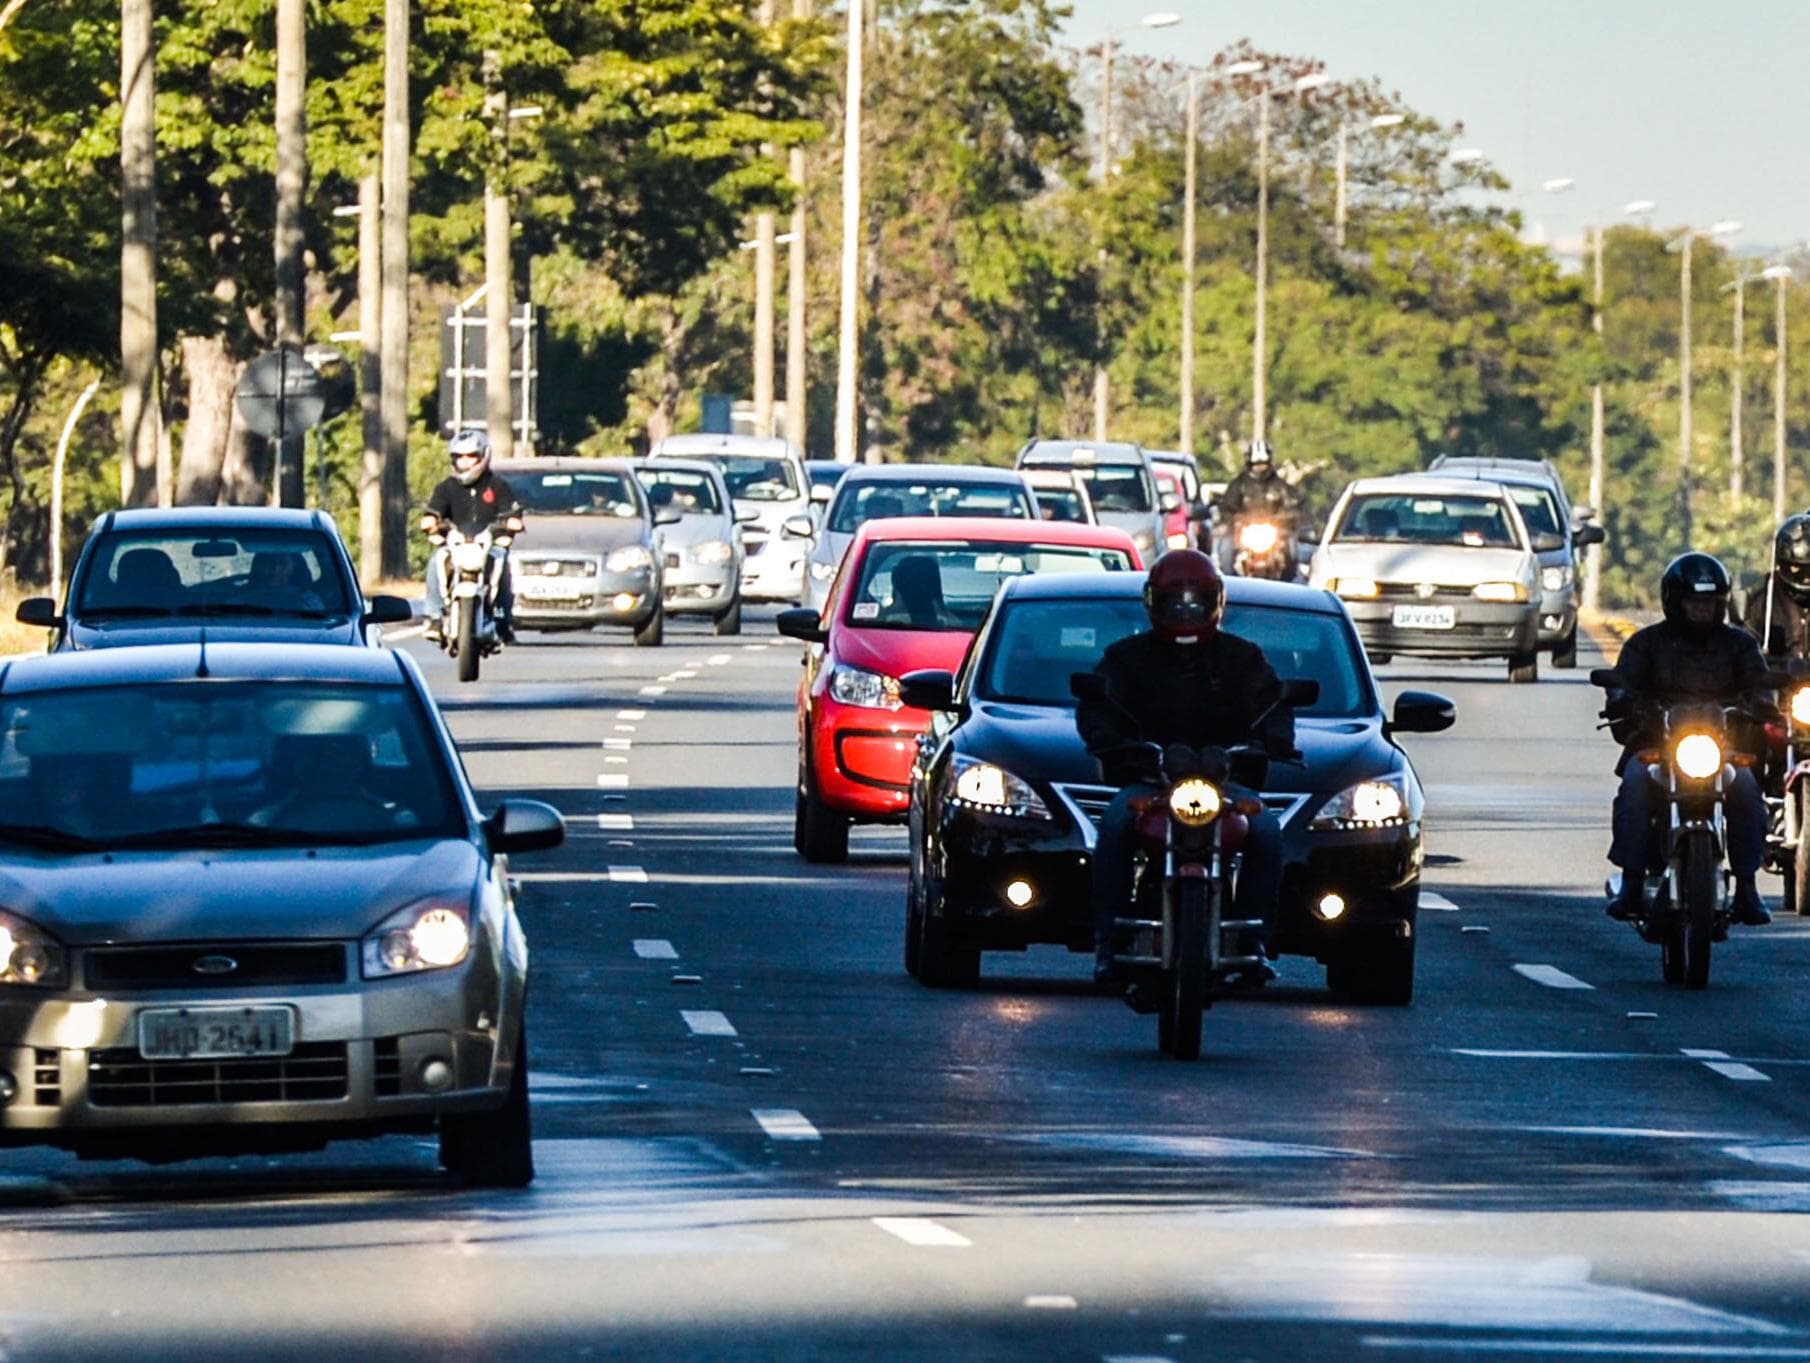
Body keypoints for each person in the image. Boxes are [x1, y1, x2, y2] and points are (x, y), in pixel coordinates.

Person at [1075, 550, 1292, 989]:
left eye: (1197, 602)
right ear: (1153, 603)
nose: (1186, 612)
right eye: (1175, 603)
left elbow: (1274, 705)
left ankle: (1256, 942)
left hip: (1226, 782)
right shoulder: (1125, 657)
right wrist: (1117, 745)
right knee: (1116, 823)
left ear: (1216, 602)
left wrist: (1268, 744)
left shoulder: (1243, 658)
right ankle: (1108, 940)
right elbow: (1097, 706)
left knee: (1266, 832)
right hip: (1150, 780)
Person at [1602, 552, 1772, 925]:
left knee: (1745, 789)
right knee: (1634, 784)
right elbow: (1623, 684)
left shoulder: (1740, 645)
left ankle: (1746, 887)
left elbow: (1760, 685)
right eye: (1694, 601)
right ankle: (1631, 883)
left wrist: (1762, 703)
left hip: (1719, 750)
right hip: (1658, 747)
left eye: (1709, 602)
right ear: (1674, 602)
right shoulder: (1646, 644)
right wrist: (1623, 700)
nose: (1701, 609)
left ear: (1721, 604)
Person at [421, 429, 524, 643]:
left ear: (483, 456)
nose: (465, 462)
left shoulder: (498, 485)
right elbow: (433, 512)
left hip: (489, 544)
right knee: (436, 561)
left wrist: (512, 522)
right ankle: (434, 617)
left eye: (470, 456)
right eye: (459, 457)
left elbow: (512, 512)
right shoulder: (446, 487)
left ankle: (502, 618)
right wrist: (430, 521)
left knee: (502, 565)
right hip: (456, 544)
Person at [1213, 439, 1303, 571]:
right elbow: (1227, 506)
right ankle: (1230, 579)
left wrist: (1287, 515)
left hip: (1274, 529)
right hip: (1244, 529)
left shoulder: (1280, 485)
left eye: (1263, 464)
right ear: (1249, 463)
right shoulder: (1238, 485)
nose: (1260, 468)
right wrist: (1235, 518)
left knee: (1292, 548)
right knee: (1225, 547)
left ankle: (1288, 578)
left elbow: (1292, 503)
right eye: (1256, 464)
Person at [1743, 513, 1810, 662]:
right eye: (1798, 569)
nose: (1807, 577)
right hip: (1780, 681)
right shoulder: (1763, 601)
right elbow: (1744, 648)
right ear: (1782, 564)